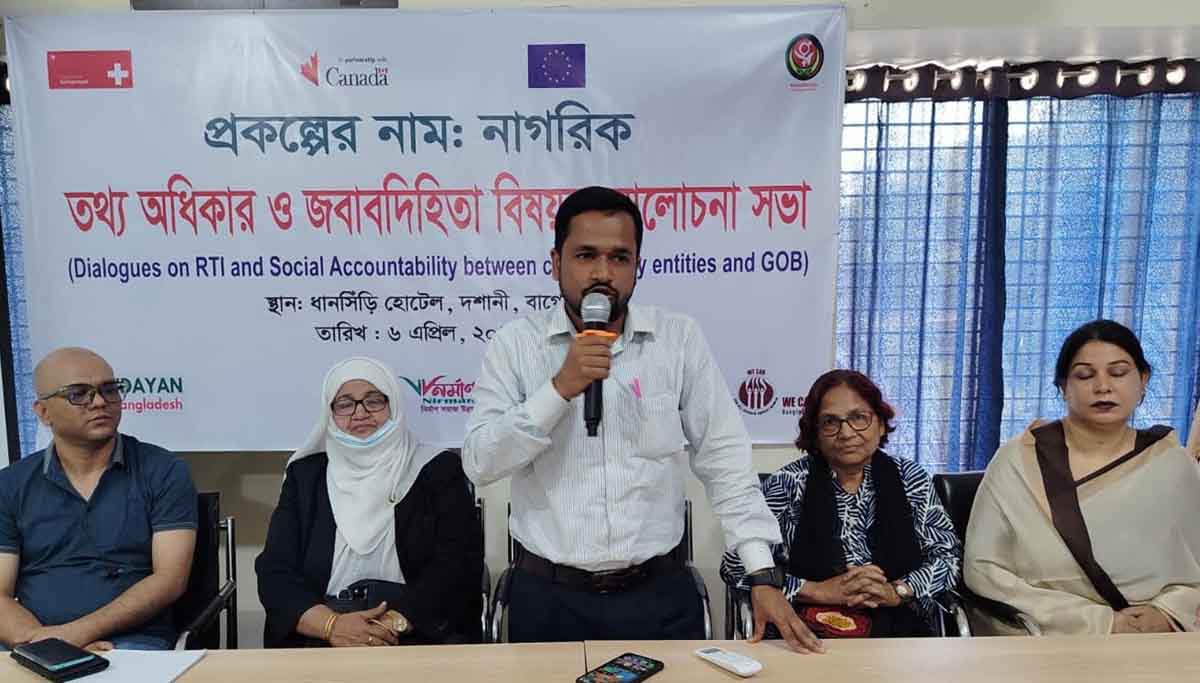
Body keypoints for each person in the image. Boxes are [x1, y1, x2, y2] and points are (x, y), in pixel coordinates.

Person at [463, 186, 821, 652]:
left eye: (619, 258)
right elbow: (480, 462)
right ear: (555, 262)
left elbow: (724, 458)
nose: (602, 273)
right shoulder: (515, 346)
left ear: (638, 266)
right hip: (549, 600)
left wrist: (761, 572)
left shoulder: (677, 340)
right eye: (585, 255)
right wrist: (559, 389)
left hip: (659, 598)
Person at [964, 319, 1200, 635]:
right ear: (1063, 387)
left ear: (1143, 380)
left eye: (1118, 373)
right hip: (1051, 634)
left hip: (1155, 635)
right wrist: (1098, 622)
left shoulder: (1172, 463)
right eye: (1085, 375)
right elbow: (982, 569)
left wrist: (1168, 613)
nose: (1103, 386)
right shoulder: (1018, 460)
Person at [256, 357, 483, 648]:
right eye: (345, 404)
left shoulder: (437, 469)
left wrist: (389, 626)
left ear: (394, 405)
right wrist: (332, 626)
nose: (360, 413)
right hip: (322, 636)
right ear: (330, 413)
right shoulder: (306, 476)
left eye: (374, 401)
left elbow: (457, 563)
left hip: (413, 633)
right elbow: (275, 569)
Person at [721, 370, 961, 638]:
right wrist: (816, 590)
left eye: (859, 418)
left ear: (881, 424)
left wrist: (897, 591)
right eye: (830, 422)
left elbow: (948, 558)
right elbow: (735, 566)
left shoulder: (911, 479)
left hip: (901, 628)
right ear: (815, 432)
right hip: (806, 629)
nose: (846, 433)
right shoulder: (787, 484)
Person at [0, 347, 197, 651]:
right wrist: (45, 645)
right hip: (32, 640)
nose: (100, 402)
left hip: (131, 641)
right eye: (78, 394)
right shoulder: (10, 484)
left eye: (109, 389)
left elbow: (170, 579)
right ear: (43, 412)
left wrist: (75, 635)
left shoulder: (164, 471)